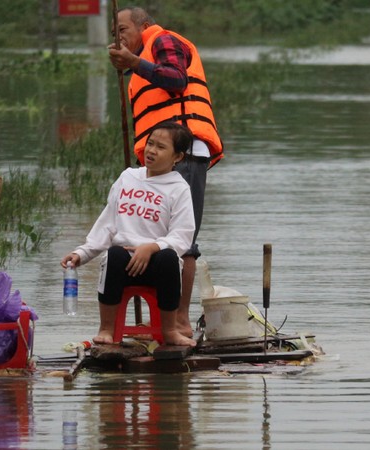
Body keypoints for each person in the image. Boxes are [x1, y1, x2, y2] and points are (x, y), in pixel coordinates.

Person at [108, 6, 224, 338]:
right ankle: (164, 322)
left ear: (144, 26)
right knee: (152, 238)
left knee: (180, 239)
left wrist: (133, 62)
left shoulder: (162, 40)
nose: (117, 37)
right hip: (160, 160)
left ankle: (179, 323)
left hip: (182, 155)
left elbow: (176, 79)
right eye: (113, 33)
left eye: (122, 29)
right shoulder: (140, 63)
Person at [61, 122, 198, 347]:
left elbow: (182, 236)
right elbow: (107, 224)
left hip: (157, 263)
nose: (151, 151)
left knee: (170, 258)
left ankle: (170, 330)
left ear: (178, 157)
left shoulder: (179, 188)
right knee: (114, 254)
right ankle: (107, 329)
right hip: (124, 263)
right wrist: (81, 253)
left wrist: (151, 247)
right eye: (150, 143)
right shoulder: (128, 177)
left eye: (161, 147)